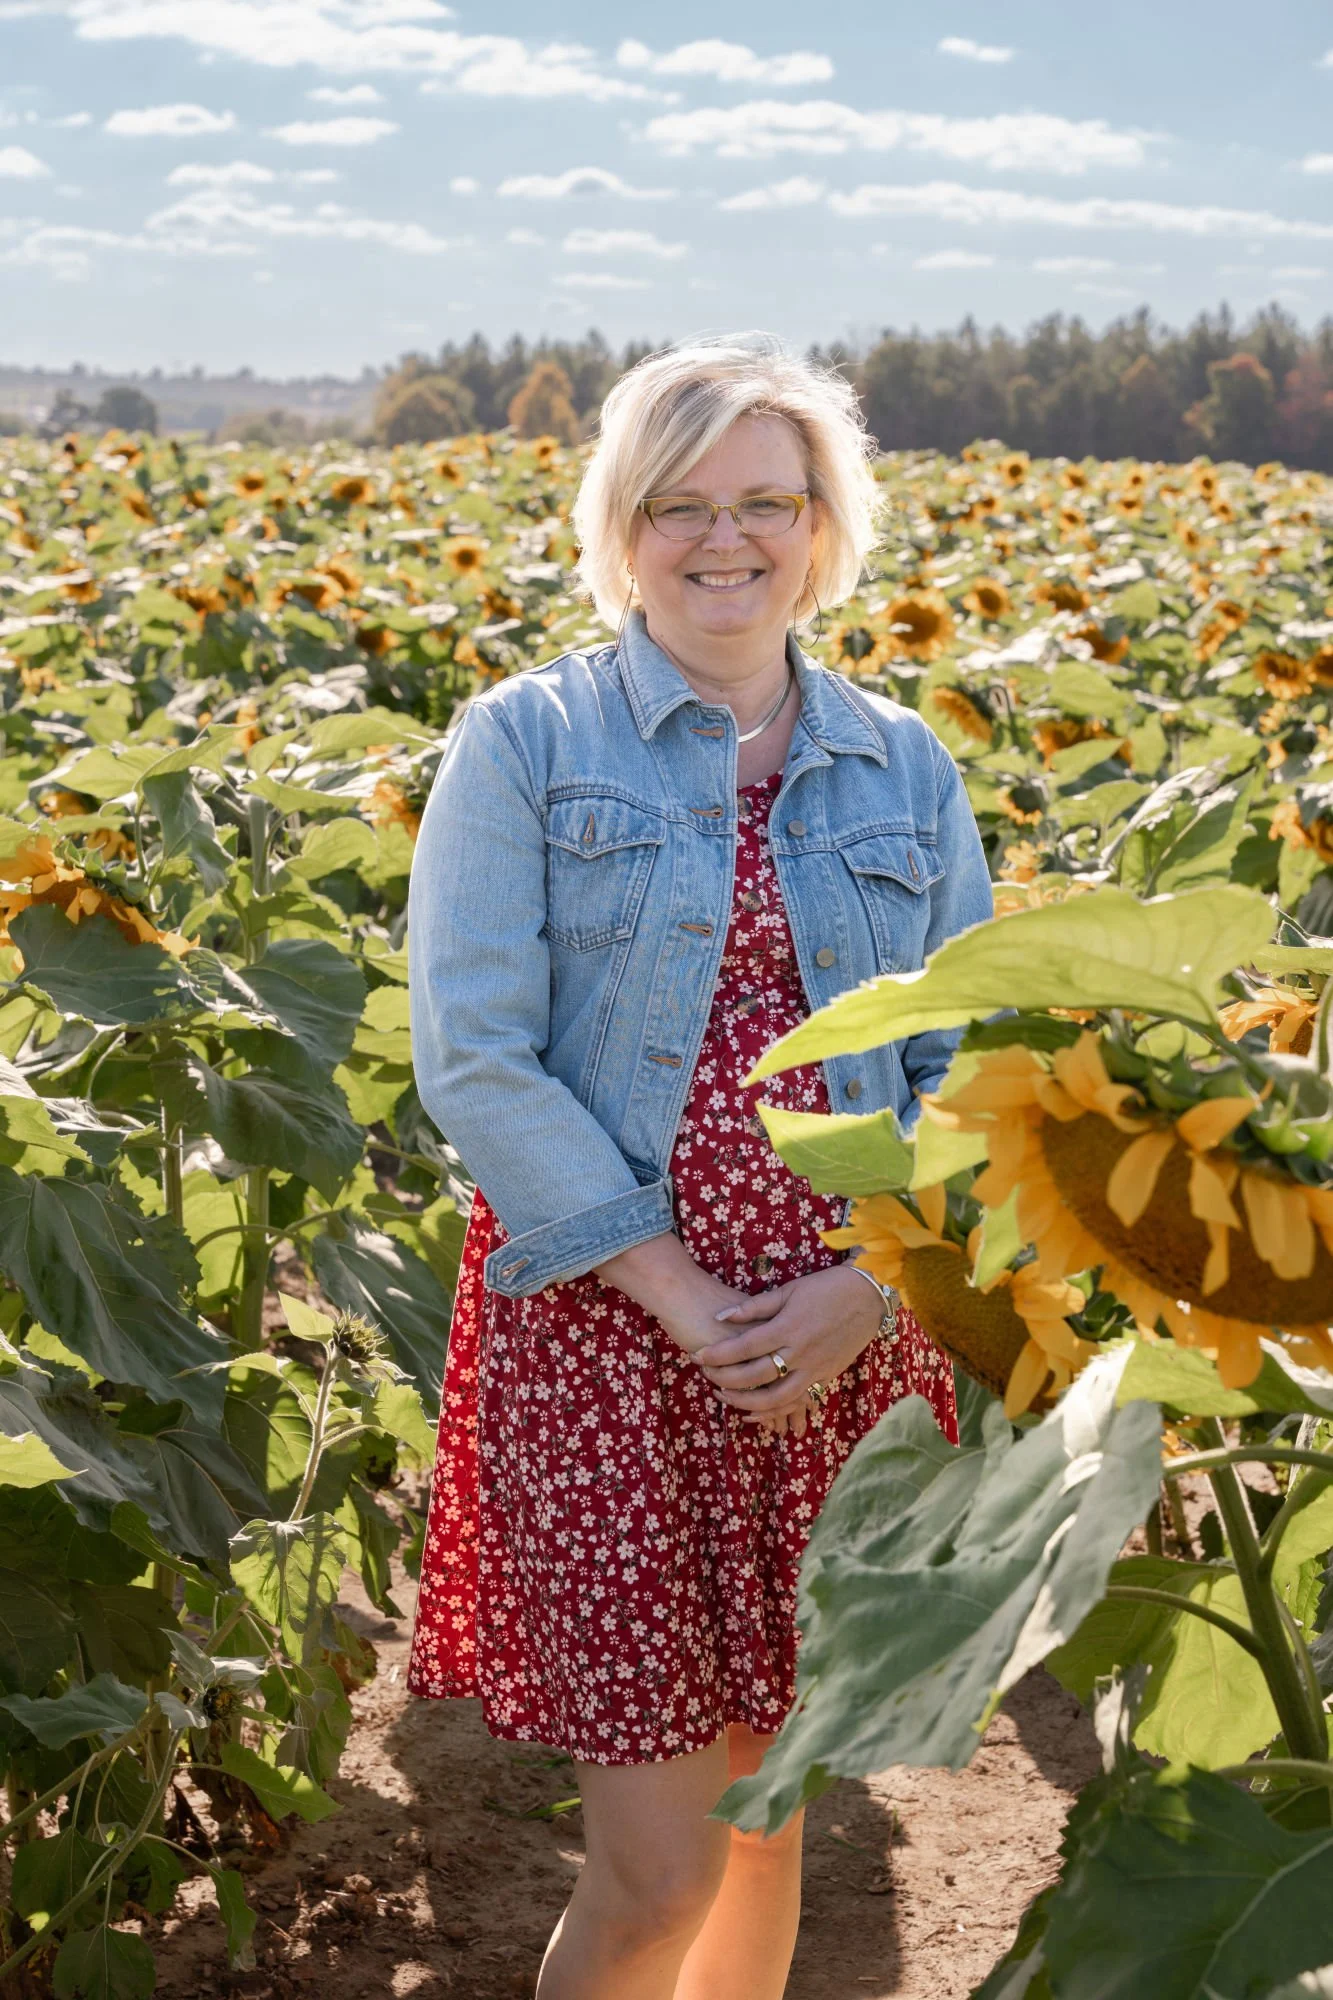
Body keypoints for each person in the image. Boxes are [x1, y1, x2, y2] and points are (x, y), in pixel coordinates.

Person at [405, 334, 994, 2000]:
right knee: (655, 1870)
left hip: (834, 1349)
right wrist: (684, 1296)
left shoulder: (903, 763)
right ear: (621, 525)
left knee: (769, 1814)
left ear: (821, 525)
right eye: (679, 505)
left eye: (764, 502)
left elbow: (977, 1064)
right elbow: (476, 1055)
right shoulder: (528, 743)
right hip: (604, 1335)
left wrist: (865, 1288)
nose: (723, 540)